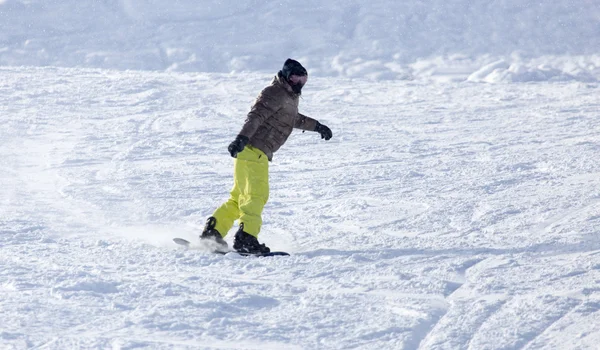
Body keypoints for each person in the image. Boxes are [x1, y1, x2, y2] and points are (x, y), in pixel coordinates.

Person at [200, 58, 332, 254]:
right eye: (297, 79)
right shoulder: (274, 92)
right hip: (254, 150)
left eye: (304, 80)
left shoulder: (287, 95)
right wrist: (242, 138)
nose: (300, 84)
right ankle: (247, 239)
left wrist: (316, 126)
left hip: (252, 152)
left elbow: (291, 118)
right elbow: (256, 115)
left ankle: (213, 232)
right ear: (288, 77)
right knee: (256, 196)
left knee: (239, 197)